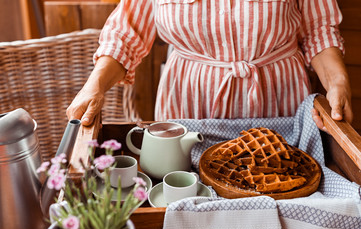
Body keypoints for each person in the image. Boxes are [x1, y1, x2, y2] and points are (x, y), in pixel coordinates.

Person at [66, 0, 352, 131]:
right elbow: (126, 33)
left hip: (280, 106)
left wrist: (337, 83)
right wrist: (95, 85)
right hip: (187, 109)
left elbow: (318, 29)